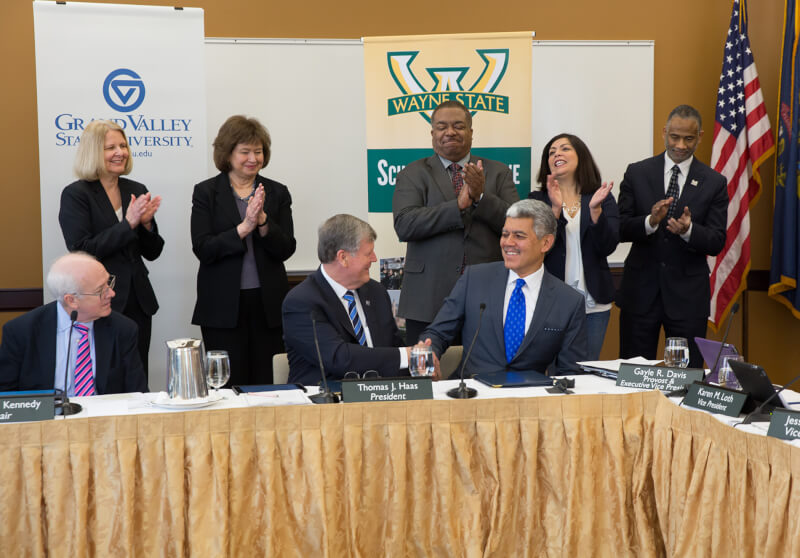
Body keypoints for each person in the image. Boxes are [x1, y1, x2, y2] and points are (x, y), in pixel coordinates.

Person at [392, 100, 520, 344]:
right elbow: (405, 224)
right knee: (427, 372)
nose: (450, 132)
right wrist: (457, 206)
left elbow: (516, 225)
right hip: (427, 298)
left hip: (486, 296)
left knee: (484, 371)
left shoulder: (498, 172)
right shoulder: (412, 173)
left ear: (471, 132)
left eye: (458, 126)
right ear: (432, 133)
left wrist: (481, 196)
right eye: (442, 127)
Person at [420, 199, 587, 376]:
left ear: (545, 243)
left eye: (519, 236)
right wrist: (427, 353)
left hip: (530, 397)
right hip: (471, 394)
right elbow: (437, 333)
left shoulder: (569, 302)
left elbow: (571, 373)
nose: (508, 242)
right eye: (505, 234)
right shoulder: (474, 279)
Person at [617, 105, 728, 368]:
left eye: (688, 139)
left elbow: (716, 240)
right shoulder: (637, 172)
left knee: (686, 380)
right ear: (664, 132)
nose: (680, 145)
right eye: (674, 137)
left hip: (687, 299)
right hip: (640, 294)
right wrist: (650, 222)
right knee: (633, 376)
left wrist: (689, 231)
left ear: (700, 136)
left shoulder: (714, 182)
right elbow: (619, 228)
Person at [191, 115, 296, 386]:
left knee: (268, 381)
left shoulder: (277, 192)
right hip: (222, 307)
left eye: (258, 152)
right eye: (245, 152)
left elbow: (286, 247)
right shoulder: (206, 193)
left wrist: (262, 222)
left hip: (268, 306)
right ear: (227, 154)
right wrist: (243, 227)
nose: (253, 158)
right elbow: (203, 248)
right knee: (227, 383)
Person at [59, 120, 163, 378]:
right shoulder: (76, 194)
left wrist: (147, 224)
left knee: (137, 376)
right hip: (97, 301)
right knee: (104, 375)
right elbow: (82, 250)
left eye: (123, 145)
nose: (120, 152)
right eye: (111, 147)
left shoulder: (136, 190)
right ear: (94, 152)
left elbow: (152, 251)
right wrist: (128, 224)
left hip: (138, 302)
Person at [282, 214, 418, 386]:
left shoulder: (376, 293)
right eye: (368, 253)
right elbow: (338, 358)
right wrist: (408, 355)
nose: (374, 259)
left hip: (381, 399)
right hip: (324, 403)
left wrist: (420, 367)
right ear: (343, 257)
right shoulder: (301, 301)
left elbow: (393, 350)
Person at [0, 253, 147, 394]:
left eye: (109, 283)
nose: (112, 293)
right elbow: (5, 397)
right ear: (71, 300)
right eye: (100, 290)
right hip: (48, 418)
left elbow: (139, 395)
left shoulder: (123, 329)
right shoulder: (21, 332)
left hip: (105, 418)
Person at [529, 133, 619, 360]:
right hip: (550, 302)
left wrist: (596, 211)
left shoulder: (602, 198)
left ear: (581, 156)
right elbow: (537, 249)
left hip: (593, 303)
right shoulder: (537, 200)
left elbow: (607, 247)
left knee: (584, 371)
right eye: (551, 152)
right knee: (549, 372)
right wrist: (555, 210)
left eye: (564, 149)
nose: (557, 153)